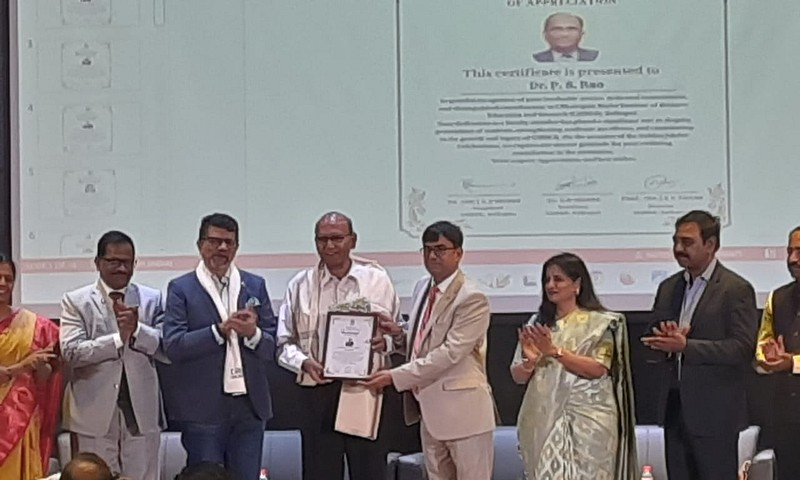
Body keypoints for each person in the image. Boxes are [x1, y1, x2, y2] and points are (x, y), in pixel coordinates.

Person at [363, 221, 496, 480]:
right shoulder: (422, 287)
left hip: (465, 413)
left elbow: (450, 353)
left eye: (441, 249)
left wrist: (394, 376)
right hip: (430, 411)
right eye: (427, 249)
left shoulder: (472, 297)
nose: (433, 255)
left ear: (458, 253)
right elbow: (423, 342)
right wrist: (398, 335)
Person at [276, 212, 402, 480]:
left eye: (336, 238)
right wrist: (304, 363)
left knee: (370, 472)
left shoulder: (377, 280)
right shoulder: (300, 285)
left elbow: (397, 332)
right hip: (318, 391)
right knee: (320, 473)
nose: (329, 245)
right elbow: (283, 343)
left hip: (366, 390)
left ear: (352, 240)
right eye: (322, 239)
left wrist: (387, 342)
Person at [642, 210, 759, 480]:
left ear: (711, 244)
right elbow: (649, 340)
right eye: (675, 241)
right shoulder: (669, 287)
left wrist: (686, 346)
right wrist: (661, 339)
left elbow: (742, 347)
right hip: (674, 409)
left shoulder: (735, 289)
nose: (678, 249)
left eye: (687, 242)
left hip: (715, 413)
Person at [161, 213, 277, 480]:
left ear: (236, 247)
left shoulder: (255, 285)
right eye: (214, 241)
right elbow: (174, 345)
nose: (222, 248)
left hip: (250, 407)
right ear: (200, 245)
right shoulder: (181, 288)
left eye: (229, 242)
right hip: (203, 409)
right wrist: (218, 331)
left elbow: (272, 347)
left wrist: (253, 334)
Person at [509, 252, 637, 479]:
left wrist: (555, 352)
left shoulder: (600, 323)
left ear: (577, 284)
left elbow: (598, 369)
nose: (551, 285)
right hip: (543, 417)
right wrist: (530, 362)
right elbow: (518, 376)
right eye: (547, 280)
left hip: (590, 418)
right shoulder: (537, 323)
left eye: (558, 279)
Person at [60, 231, 165, 480]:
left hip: (141, 413)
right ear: (98, 263)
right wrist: (118, 339)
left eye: (127, 262)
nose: (121, 268)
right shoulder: (76, 301)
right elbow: (71, 352)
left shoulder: (152, 299)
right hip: (93, 412)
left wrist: (137, 330)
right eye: (113, 261)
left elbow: (166, 349)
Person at [0, 253, 61, 480]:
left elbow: (44, 382)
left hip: (20, 421)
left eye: (8, 278)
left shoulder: (36, 326)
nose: (3, 284)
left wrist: (42, 366)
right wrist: (20, 367)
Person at [754, 225, 800, 480]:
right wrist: (768, 359)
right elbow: (762, 346)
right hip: (787, 418)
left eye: (799, 252)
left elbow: (789, 362)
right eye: (789, 251)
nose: (792, 259)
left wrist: (792, 363)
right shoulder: (778, 297)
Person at [533, 12, 599, 63]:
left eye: (571, 29)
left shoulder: (594, 56)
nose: (564, 34)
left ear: (582, 34)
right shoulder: (536, 59)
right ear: (545, 35)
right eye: (557, 29)